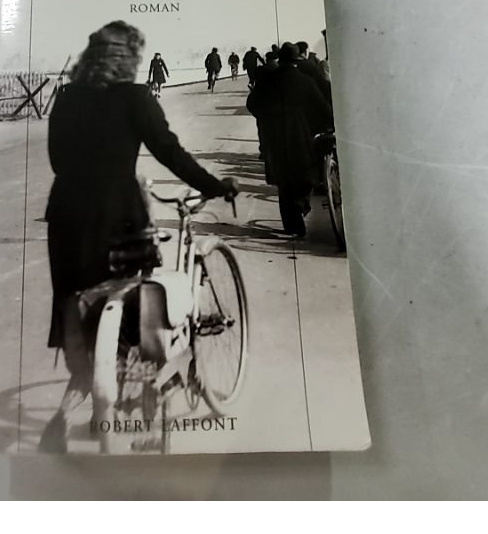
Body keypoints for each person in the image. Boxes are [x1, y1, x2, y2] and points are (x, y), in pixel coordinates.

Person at [40, 22, 238, 452]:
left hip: (67, 219)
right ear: (129, 59)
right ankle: (142, 419)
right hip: (118, 219)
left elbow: (58, 161)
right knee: (135, 315)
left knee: (78, 311)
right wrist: (213, 185)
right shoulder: (134, 97)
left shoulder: (66, 97)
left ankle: (71, 409)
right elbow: (170, 152)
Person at [246, 43, 329, 238]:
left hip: (275, 135)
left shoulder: (268, 80)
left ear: (280, 60)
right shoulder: (306, 81)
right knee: (306, 175)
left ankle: (291, 225)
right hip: (300, 134)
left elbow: (252, 103)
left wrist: (266, 118)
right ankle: (301, 203)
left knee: (284, 181)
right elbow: (323, 108)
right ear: (296, 61)